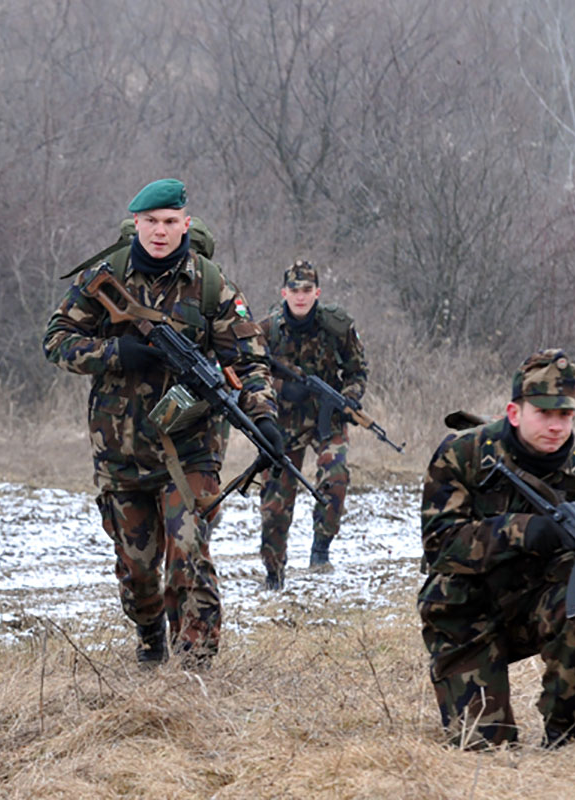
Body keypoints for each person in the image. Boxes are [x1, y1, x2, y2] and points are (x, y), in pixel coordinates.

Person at [43, 178, 282, 668]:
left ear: (185, 224)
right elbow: (57, 341)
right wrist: (116, 352)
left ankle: (194, 669)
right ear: (136, 223)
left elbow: (250, 360)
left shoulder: (212, 285)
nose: (159, 231)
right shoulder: (104, 277)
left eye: (170, 222)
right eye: (150, 221)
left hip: (191, 447)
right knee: (137, 571)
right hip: (120, 450)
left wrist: (263, 415)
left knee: (188, 554)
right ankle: (150, 635)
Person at [418, 349, 575, 749]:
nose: (556, 425)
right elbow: (440, 546)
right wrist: (522, 532)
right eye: (543, 413)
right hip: (464, 614)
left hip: (533, 605)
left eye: (565, 415)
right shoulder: (462, 453)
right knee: (484, 750)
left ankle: (562, 735)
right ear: (515, 413)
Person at [257, 260, 368, 589]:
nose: (300, 296)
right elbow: (248, 371)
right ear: (284, 293)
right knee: (275, 501)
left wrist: (349, 398)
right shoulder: (268, 329)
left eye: (307, 290)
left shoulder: (336, 326)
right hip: (282, 422)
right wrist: (281, 388)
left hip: (326, 417)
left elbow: (357, 370)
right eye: (294, 290)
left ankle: (321, 549)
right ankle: (274, 571)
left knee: (336, 475)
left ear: (317, 293)